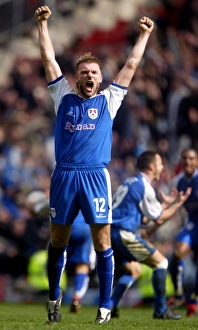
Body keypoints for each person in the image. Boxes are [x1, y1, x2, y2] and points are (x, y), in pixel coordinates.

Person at [34, 5, 154, 324]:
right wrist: (42, 25)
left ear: (101, 79)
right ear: (77, 78)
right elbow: (48, 59)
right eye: (84, 72)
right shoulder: (63, 97)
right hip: (64, 175)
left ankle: (103, 306)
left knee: (102, 241)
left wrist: (144, 34)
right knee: (58, 240)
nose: (90, 76)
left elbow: (131, 63)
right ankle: (54, 300)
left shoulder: (109, 100)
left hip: (95, 177)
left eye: (94, 73)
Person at [109, 150, 191, 319]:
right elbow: (159, 218)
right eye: (160, 163)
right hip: (123, 233)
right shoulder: (144, 186)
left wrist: (164, 205)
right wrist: (178, 204)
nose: (162, 167)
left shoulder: (130, 182)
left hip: (111, 233)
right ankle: (160, 310)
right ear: (152, 166)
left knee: (134, 270)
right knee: (161, 263)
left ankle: (110, 306)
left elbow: (146, 218)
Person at [167, 148, 198, 316]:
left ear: (197, 161)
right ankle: (179, 294)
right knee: (178, 252)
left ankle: (193, 300)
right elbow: (172, 207)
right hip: (192, 224)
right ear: (180, 161)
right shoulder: (177, 182)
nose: (188, 162)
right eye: (185, 158)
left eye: (192, 159)